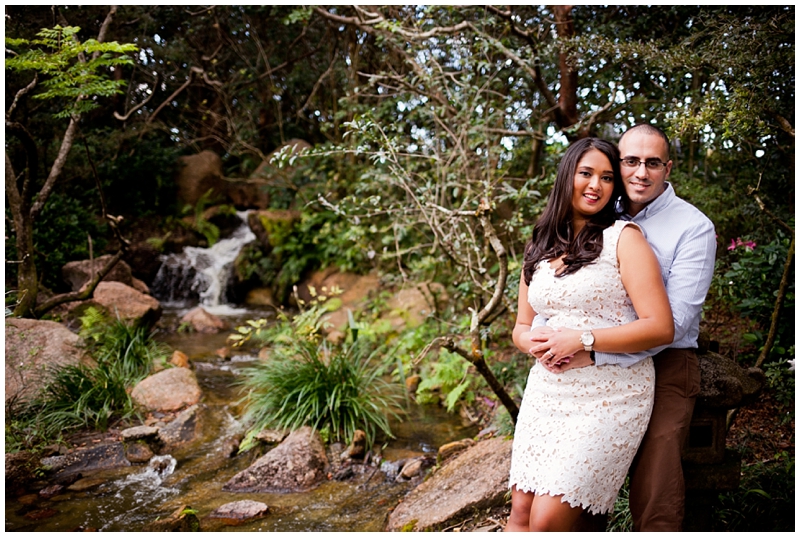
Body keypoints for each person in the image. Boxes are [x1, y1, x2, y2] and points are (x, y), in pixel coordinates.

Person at [529, 124, 717, 531]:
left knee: (655, 471)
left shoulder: (692, 227)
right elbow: (563, 290)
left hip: (667, 360)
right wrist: (548, 339)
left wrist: (591, 350)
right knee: (567, 483)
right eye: (630, 162)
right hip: (583, 363)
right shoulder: (600, 214)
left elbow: (675, 322)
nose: (640, 173)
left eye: (652, 163)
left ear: (668, 168)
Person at [504, 137, 674, 532]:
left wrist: (581, 339)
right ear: (567, 176)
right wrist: (539, 344)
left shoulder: (624, 238)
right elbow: (521, 327)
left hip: (609, 394)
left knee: (547, 521)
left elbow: (659, 325)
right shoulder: (539, 243)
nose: (596, 185)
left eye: (607, 177)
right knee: (520, 513)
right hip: (548, 391)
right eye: (586, 174)